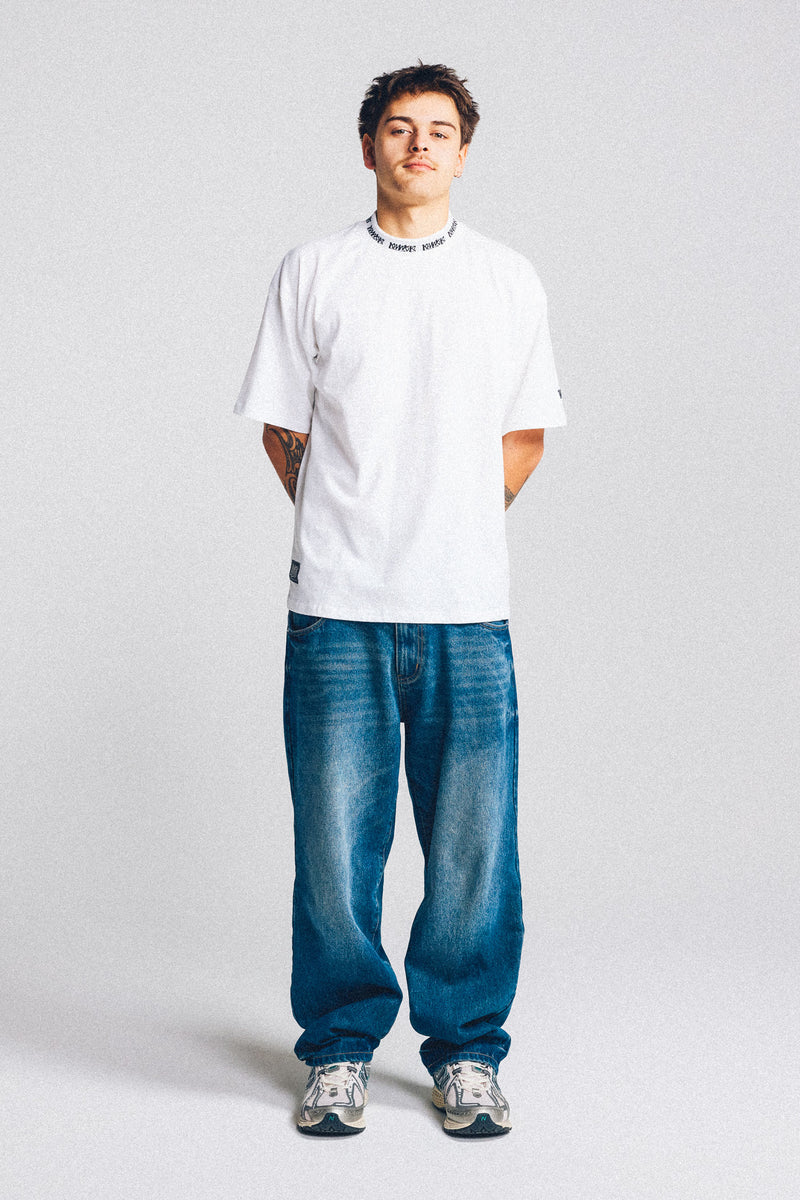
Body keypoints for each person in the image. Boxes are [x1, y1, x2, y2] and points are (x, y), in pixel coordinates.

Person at [234, 62, 566, 1138]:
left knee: (474, 846)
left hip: (468, 608)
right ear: (368, 145)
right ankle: (338, 1051)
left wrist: (450, 526)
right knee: (335, 844)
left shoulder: (506, 278)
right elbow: (283, 425)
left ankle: (465, 1053)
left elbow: (524, 432)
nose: (418, 144)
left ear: (463, 152)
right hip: (336, 606)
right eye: (397, 127)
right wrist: (355, 524)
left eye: (438, 129)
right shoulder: (314, 270)